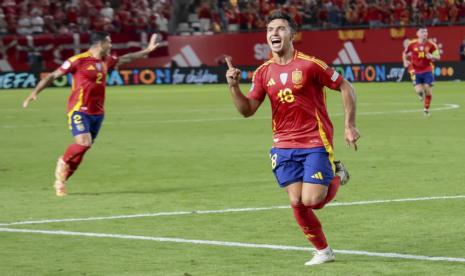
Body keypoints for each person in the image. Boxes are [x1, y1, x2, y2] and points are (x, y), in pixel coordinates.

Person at [225, 11, 359, 266]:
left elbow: (345, 86)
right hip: (283, 145)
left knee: (312, 201)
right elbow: (247, 110)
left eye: (280, 28)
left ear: (292, 34)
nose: (274, 33)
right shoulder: (263, 72)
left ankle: (337, 174)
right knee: (297, 201)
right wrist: (233, 87)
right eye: (269, 29)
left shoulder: (310, 65)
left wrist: (349, 125)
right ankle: (323, 251)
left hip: (313, 142)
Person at [22, 31, 160, 196]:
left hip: (98, 112)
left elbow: (127, 57)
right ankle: (63, 160)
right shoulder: (78, 60)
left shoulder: (106, 60)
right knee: (83, 143)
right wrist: (34, 92)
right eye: (109, 42)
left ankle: (61, 181)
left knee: (83, 150)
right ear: (100, 44)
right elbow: (52, 75)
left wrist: (147, 51)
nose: (111, 45)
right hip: (79, 109)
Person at [403, 27, 440, 116]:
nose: (425, 33)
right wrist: (405, 61)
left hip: (427, 70)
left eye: (426, 31)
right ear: (417, 34)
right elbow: (405, 53)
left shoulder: (432, 45)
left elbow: (438, 57)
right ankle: (421, 94)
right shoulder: (412, 44)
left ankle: (426, 109)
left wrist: (432, 56)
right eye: (422, 32)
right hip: (415, 71)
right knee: (419, 91)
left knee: (428, 90)